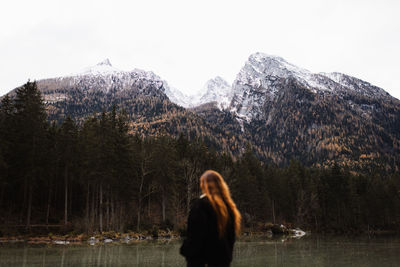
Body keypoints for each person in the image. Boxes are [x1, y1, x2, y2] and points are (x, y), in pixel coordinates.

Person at [180, 170, 241, 267]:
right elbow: (230, 243)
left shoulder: (201, 206)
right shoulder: (231, 209)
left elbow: (195, 240)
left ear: (204, 186)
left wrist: (184, 249)